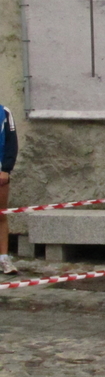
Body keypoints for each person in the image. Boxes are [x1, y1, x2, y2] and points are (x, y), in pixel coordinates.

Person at [0, 104, 18, 275]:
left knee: (1, 215)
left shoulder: (4, 112)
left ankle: (3, 257)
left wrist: (6, 169)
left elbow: (12, 142)